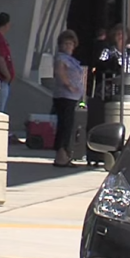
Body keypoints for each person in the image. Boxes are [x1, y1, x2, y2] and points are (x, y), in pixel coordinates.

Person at [51, 30, 85, 168]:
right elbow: (60, 71)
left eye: (71, 43)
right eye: (66, 43)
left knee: (69, 125)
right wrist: (69, 85)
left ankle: (65, 153)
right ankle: (61, 155)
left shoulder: (71, 59)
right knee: (65, 126)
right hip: (65, 96)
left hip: (72, 97)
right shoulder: (61, 58)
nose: (69, 46)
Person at [98, 24, 130, 98]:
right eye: (118, 34)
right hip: (114, 89)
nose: (121, 37)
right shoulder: (108, 52)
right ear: (114, 37)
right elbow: (101, 70)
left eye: (123, 34)